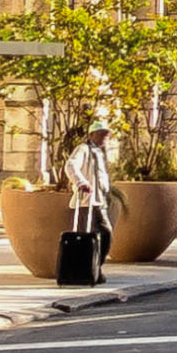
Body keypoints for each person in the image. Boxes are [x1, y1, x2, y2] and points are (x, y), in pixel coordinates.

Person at [63, 117, 116, 277]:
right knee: (88, 237)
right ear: (92, 135)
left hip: (99, 201)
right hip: (87, 202)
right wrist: (81, 183)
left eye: (106, 135)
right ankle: (87, 270)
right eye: (101, 134)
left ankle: (94, 268)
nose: (104, 138)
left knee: (105, 235)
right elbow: (71, 165)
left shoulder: (98, 152)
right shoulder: (83, 149)